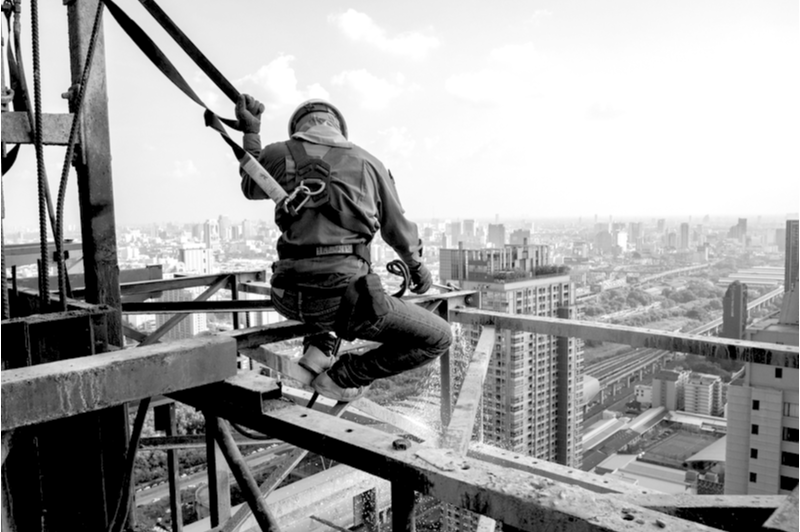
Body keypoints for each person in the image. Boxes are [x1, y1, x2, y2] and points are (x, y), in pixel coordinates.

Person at [235, 94, 452, 402]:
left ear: (297, 127)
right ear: (338, 128)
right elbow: (397, 230)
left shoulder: (276, 155)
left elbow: (249, 184)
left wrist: (251, 132)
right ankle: (342, 377)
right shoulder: (368, 163)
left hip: (284, 295)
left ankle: (318, 349)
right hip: (340, 301)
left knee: (334, 287)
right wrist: (416, 266)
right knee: (439, 337)